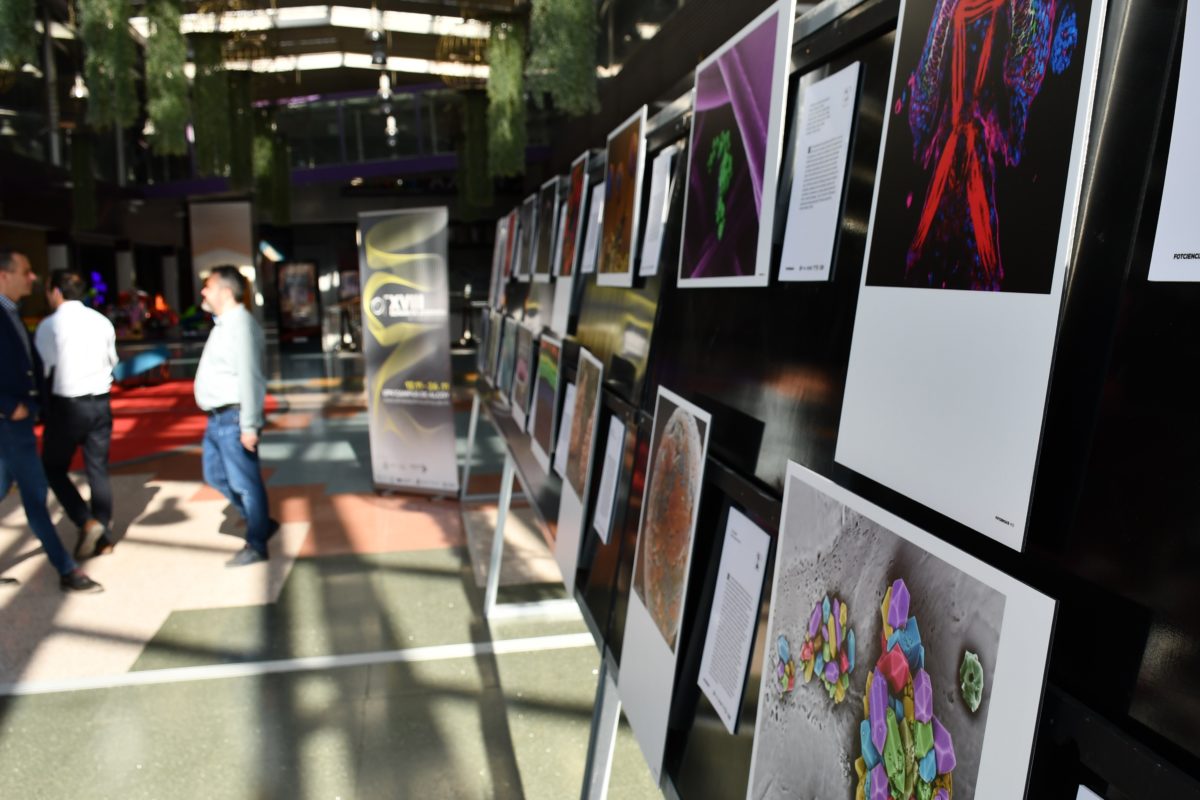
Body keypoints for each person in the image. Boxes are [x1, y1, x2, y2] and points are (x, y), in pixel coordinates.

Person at [0, 249, 102, 592]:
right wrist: (7, 405)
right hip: (9, 424)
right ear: (4, 275)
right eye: (26, 271)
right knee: (35, 494)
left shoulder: (13, 312)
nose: (32, 278)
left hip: (20, 422)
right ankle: (67, 568)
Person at [194, 266, 278, 566]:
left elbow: (251, 378)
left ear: (226, 291)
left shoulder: (240, 325)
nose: (204, 292)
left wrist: (250, 425)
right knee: (214, 475)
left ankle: (257, 543)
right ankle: (261, 523)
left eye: (209, 286)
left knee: (246, 482)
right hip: (217, 418)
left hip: (233, 417)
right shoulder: (224, 324)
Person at [35, 269, 119, 560]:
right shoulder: (101, 322)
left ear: (57, 291)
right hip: (101, 403)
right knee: (98, 469)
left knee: (53, 467)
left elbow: (45, 369)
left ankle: (86, 520)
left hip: (68, 406)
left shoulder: (50, 325)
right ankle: (104, 538)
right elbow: (113, 361)